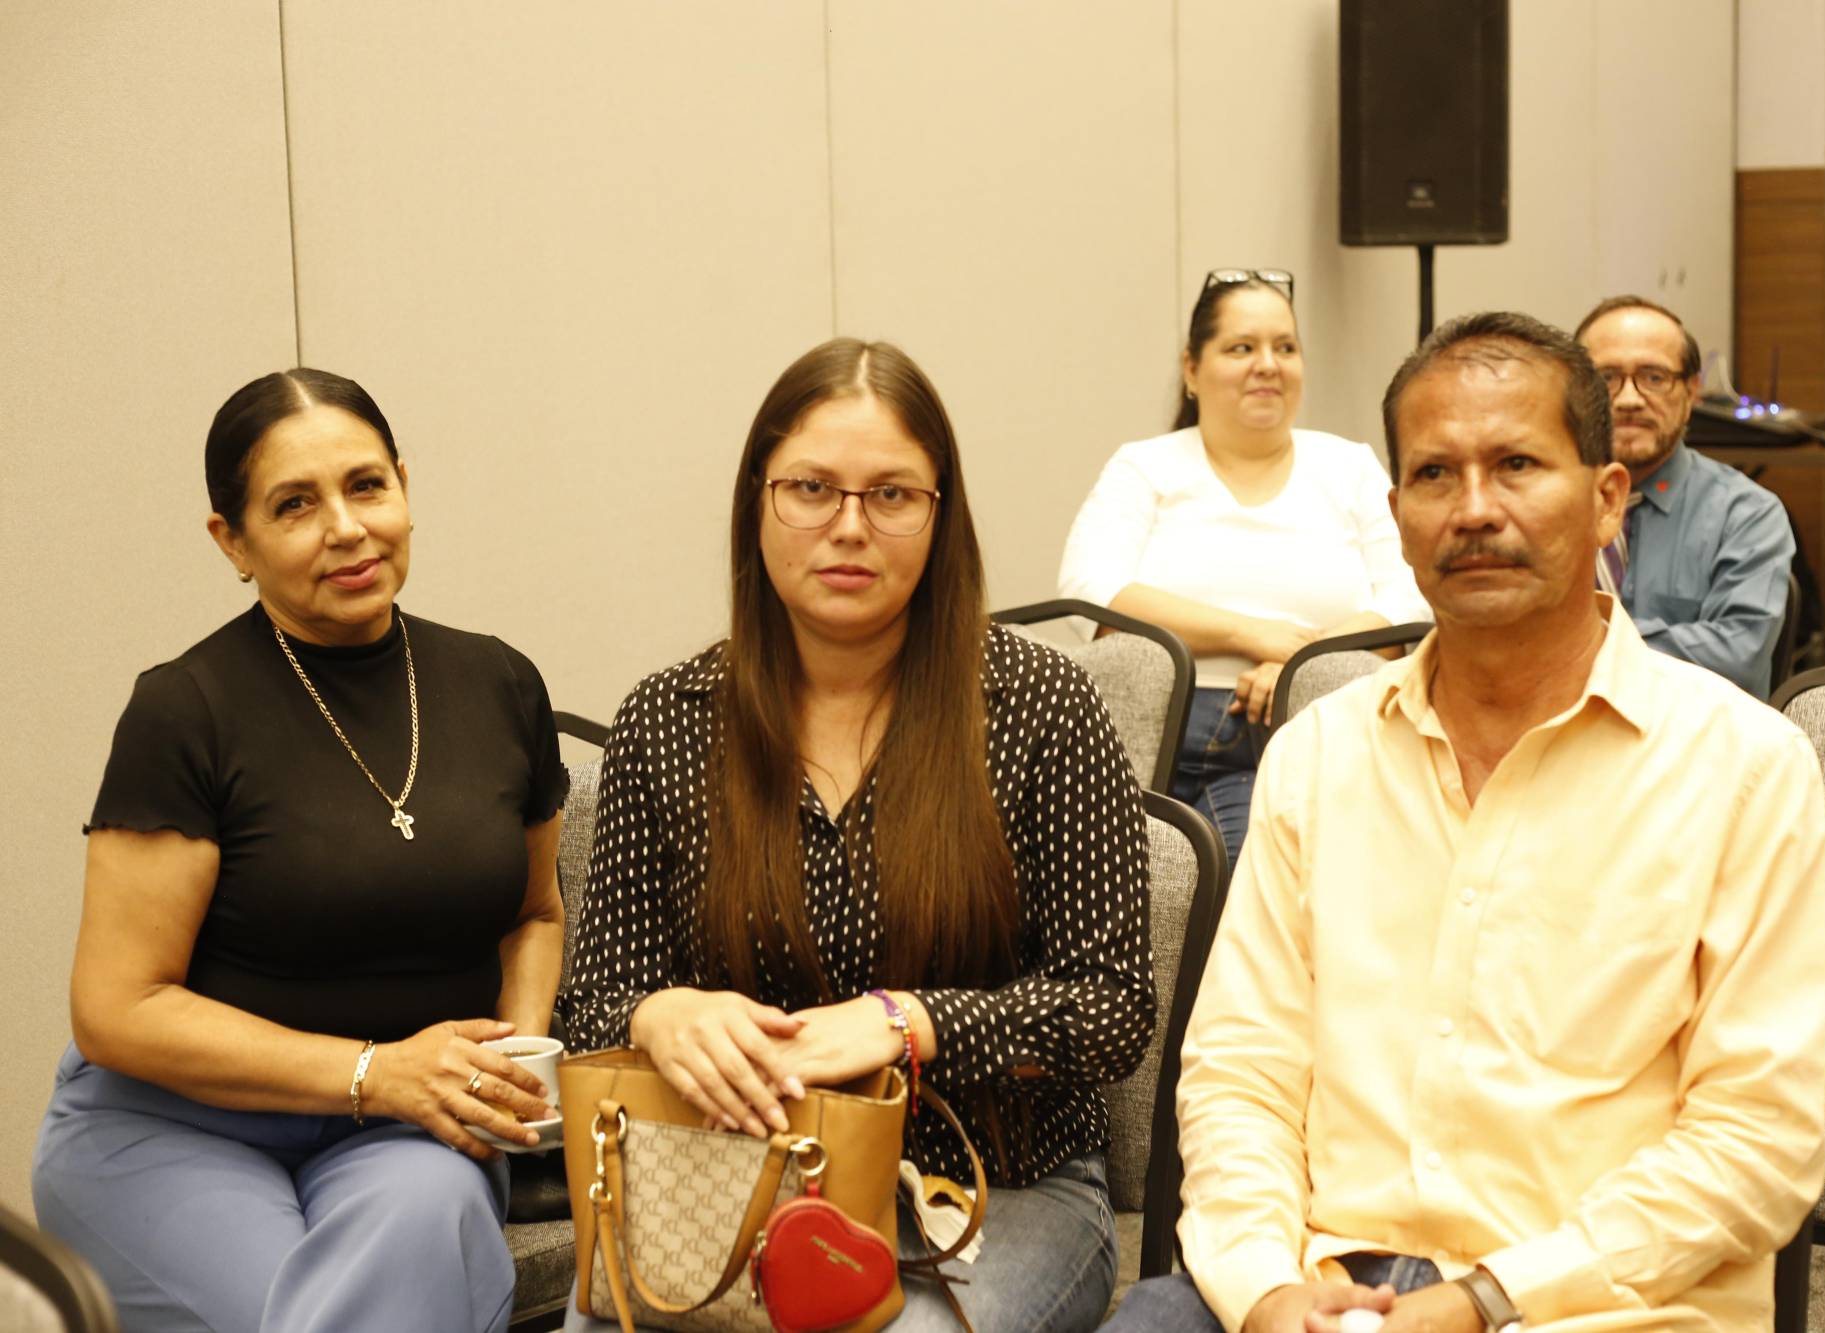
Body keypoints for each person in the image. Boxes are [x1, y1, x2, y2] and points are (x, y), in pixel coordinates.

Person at [1109, 312, 1825, 1333]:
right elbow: (1241, 1073)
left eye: (1517, 465)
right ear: (1397, 514)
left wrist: (1486, 1297)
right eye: (1435, 475)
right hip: (1319, 1276)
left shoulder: (1743, 768)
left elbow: (1755, 1141)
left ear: (1606, 500)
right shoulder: (1318, 757)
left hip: (1593, 1302)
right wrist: (1263, 1285)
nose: (1475, 509)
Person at [559, 338, 1155, 1332]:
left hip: (993, 1186)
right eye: (811, 488)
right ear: (757, 501)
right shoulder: (668, 720)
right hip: (731, 1179)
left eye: (890, 495)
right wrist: (660, 1013)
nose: (848, 526)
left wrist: (909, 1023)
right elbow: (591, 1004)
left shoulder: (1040, 706)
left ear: (940, 513)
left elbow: (1112, 1008)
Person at [31, 370, 570, 1332]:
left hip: (407, 1132)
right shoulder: (184, 710)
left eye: (366, 485)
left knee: (420, 1232)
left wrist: (505, 1066)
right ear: (231, 541)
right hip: (173, 1125)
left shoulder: (498, 683)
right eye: (295, 504)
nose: (347, 527)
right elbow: (117, 1008)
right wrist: (373, 1069)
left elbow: (534, 913)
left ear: (404, 486)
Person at [1057, 268, 1427, 867]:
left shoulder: (1349, 466)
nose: (1268, 365)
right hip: (1155, 734)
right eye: (1241, 348)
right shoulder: (1145, 467)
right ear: (1191, 369)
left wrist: (1300, 663)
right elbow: (1091, 590)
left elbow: (1410, 598)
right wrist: (1250, 635)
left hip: (1315, 727)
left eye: (1285, 347)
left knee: (1258, 874)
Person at [1574, 295, 1794, 697]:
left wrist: (1575, 640)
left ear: (1692, 393)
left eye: (1654, 377)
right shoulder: (1540, 503)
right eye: (1606, 377)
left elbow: (1737, 660)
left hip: (1695, 732)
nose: (1628, 399)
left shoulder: (1746, 514)